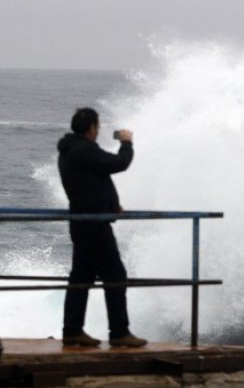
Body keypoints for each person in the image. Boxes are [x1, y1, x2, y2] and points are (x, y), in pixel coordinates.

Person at [57, 108, 147, 348]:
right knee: (115, 275)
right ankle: (119, 333)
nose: (98, 131)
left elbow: (92, 182)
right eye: (97, 126)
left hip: (82, 221)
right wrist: (127, 143)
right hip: (94, 225)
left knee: (81, 278)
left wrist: (110, 203)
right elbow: (118, 163)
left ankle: (73, 330)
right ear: (91, 128)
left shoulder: (69, 151)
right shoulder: (84, 150)